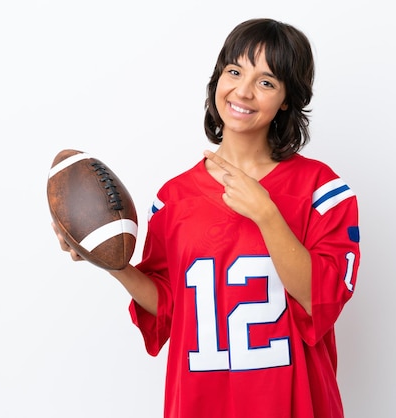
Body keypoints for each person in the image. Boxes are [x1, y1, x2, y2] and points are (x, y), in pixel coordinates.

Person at [53, 17, 360, 418]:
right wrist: (111, 263)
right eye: (234, 72)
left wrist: (266, 213)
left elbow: (320, 300)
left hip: (290, 404)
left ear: (287, 99)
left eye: (266, 82)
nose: (243, 91)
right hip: (201, 402)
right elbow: (168, 309)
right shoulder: (174, 198)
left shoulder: (323, 191)